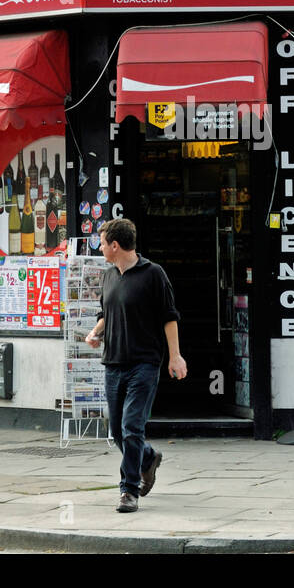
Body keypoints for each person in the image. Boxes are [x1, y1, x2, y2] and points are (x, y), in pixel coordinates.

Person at [85, 218, 187, 512]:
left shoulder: (154, 274)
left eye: (103, 243)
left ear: (115, 245)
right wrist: (96, 332)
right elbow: (107, 313)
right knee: (118, 430)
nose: (101, 247)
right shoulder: (108, 276)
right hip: (113, 364)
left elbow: (169, 316)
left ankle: (129, 490)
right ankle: (147, 458)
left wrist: (175, 355)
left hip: (144, 363)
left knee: (132, 426)